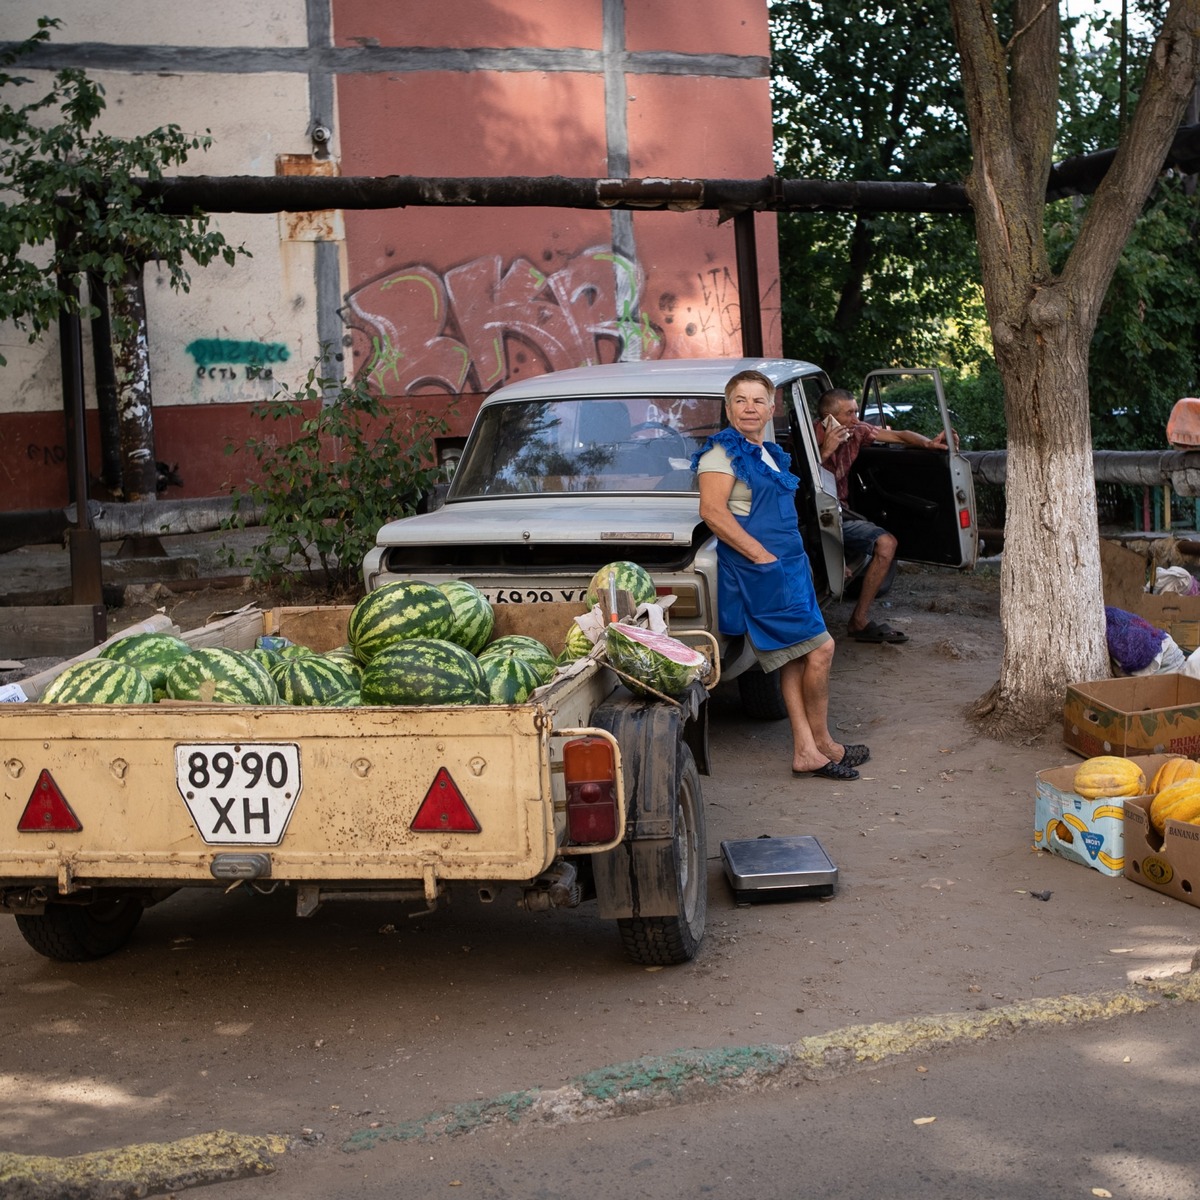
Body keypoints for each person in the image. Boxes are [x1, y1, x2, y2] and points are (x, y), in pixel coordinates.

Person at [693, 370, 868, 782]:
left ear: (772, 409)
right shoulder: (721, 454)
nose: (749, 408)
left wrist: (786, 560)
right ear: (728, 407)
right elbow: (713, 512)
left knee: (793, 655)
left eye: (758, 401)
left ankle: (807, 750)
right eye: (741, 400)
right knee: (821, 650)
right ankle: (823, 743)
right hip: (764, 571)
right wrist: (762, 557)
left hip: (789, 566)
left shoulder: (767, 451)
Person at [815, 387, 950, 645]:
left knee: (887, 544)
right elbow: (799, 486)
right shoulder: (807, 438)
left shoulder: (857, 431)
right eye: (849, 413)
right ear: (828, 418)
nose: (856, 419)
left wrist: (928, 443)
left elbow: (899, 435)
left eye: (856, 411)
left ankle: (859, 619)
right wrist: (826, 451)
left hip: (841, 511)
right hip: (813, 513)